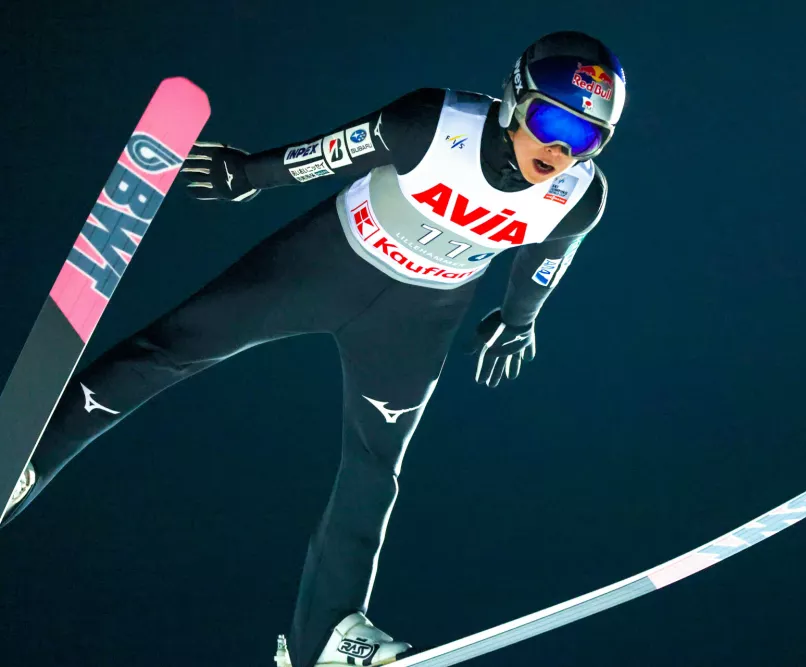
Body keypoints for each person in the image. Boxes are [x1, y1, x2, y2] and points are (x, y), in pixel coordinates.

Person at [3, 31, 627, 667]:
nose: (557, 150)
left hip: (418, 321)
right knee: (173, 347)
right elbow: (332, 152)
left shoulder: (580, 197)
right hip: (323, 265)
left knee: (374, 462)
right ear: (513, 99)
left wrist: (520, 322)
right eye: (550, 121)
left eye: (584, 139)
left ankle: (325, 638)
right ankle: (24, 463)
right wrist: (247, 175)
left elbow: (544, 265)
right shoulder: (433, 122)